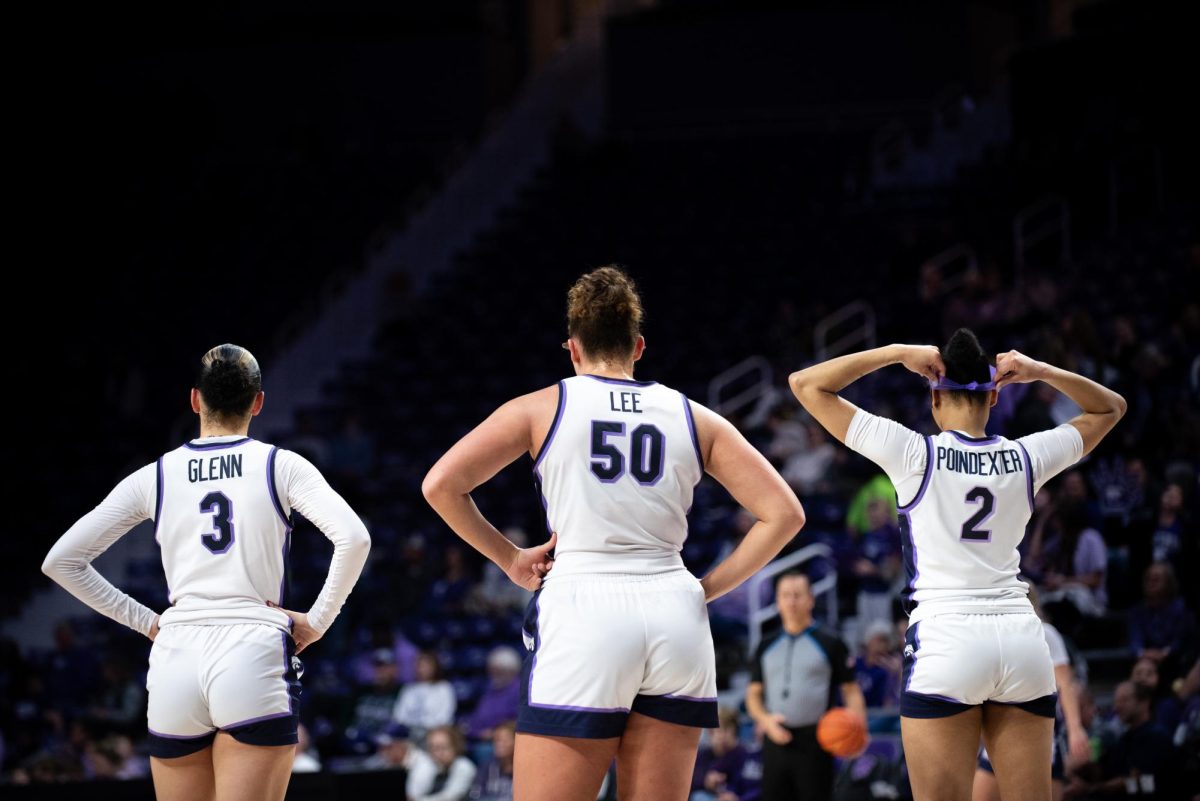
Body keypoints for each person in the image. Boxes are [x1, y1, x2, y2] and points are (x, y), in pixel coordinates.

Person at [423, 266, 805, 801]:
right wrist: (707, 588)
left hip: (585, 606)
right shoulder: (695, 416)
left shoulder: (541, 407)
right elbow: (786, 514)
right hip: (675, 611)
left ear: (573, 349)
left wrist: (509, 557)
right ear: (639, 346)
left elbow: (441, 485)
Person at [788, 329, 1125, 801]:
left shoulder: (912, 453)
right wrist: (1039, 371)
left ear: (934, 396)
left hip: (947, 642)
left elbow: (806, 384)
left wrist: (897, 353)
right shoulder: (1025, 456)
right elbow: (1111, 408)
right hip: (1020, 640)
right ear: (993, 396)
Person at [41, 344, 371, 801]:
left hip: (177, 653)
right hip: (251, 647)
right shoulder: (281, 464)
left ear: (195, 399)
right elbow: (355, 538)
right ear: (258, 402)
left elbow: (61, 561)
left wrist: (147, 622)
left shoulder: (154, 475)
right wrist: (317, 622)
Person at [745, 572, 866, 801]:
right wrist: (766, 721)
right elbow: (753, 695)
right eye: (785, 595)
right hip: (775, 740)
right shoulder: (765, 644)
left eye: (797, 595)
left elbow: (851, 691)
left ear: (811, 599)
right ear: (777, 601)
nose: (791, 601)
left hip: (817, 742)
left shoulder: (831, 642)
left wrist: (859, 730)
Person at [973, 587, 1090, 801]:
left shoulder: (1045, 633)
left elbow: (1065, 683)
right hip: (998, 732)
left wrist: (1075, 729)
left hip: (1038, 734)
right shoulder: (992, 635)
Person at [690, 707, 755, 801]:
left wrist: (738, 798)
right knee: (699, 796)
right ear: (710, 733)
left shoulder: (745, 754)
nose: (722, 735)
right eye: (718, 730)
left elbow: (751, 785)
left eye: (727, 730)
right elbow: (691, 781)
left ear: (734, 730)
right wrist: (706, 780)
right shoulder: (704, 754)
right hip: (711, 796)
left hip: (738, 798)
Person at [393, 651, 457, 743]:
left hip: (435, 734)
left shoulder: (444, 687)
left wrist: (427, 729)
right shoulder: (408, 689)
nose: (422, 669)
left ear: (434, 667)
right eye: (419, 665)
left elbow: (445, 717)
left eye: (426, 665)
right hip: (410, 734)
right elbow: (399, 716)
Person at [410, 725, 477, 801]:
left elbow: (450, 797)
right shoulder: (432, 767)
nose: (438, 753)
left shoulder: (464, 766)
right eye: (433, 748)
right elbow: (413, 794)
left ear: (456, 746)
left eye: (443, 747)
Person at [470, 721, 516, 801]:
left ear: (516, 742)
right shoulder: (487, 766)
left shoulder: (523, 770)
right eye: (496, 740)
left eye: (504, 740)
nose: (499, 744)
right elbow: (476, 795)